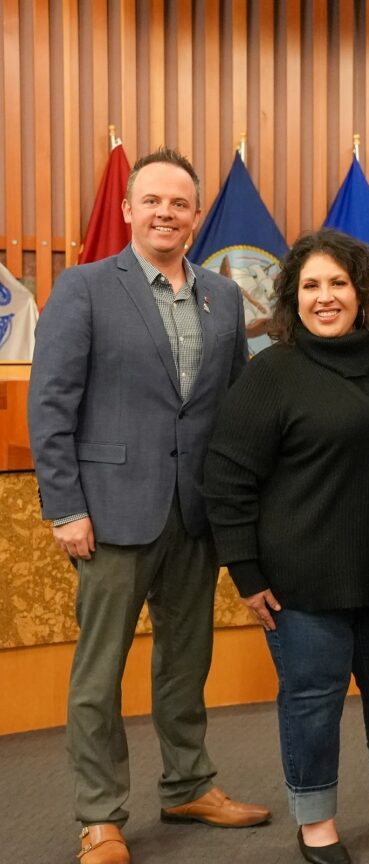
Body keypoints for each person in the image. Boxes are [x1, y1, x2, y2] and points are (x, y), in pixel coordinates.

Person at [28, 147, 269, 864]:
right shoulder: (85, 287)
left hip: (194, 517)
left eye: (180, 204)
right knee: (99, 674)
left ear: (197, 216)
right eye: (153, 201)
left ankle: (188, 782)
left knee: (185, 663)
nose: (166, 213)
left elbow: (227, 407)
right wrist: (64, 506)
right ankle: (99, 814)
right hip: (107, 514)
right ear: (130, 210)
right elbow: (52, 404)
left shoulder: (223, 297)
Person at [203, 228, 369, 864]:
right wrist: (246, 574)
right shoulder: (271, 373)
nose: (325, 297)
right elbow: (227, 480)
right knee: (313, 699)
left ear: (362, 293)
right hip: (301, 580)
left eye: (338, 283)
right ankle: (315, 819)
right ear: (292, 298)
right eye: (311, 285)